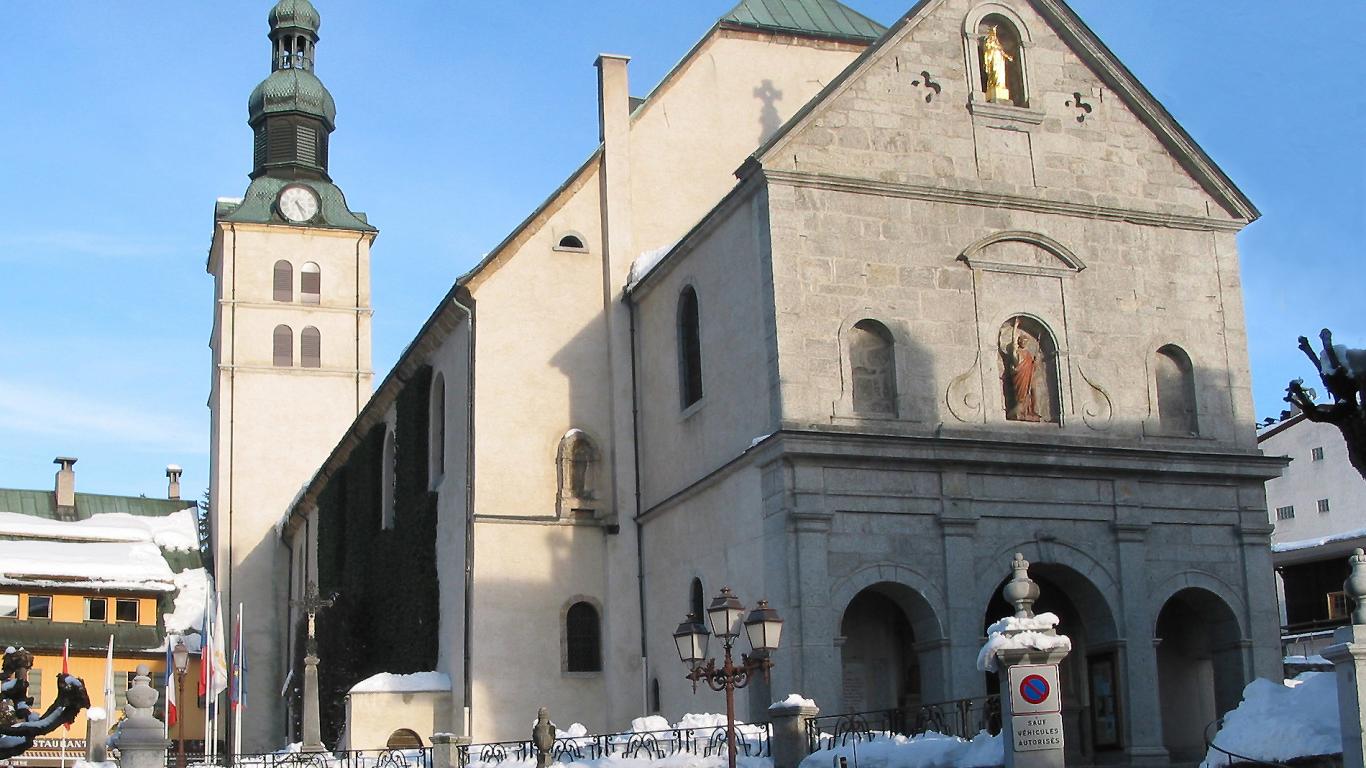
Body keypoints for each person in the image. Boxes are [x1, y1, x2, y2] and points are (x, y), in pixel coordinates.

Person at [982, 25, 1014, 101]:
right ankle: (993, 85)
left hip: (999, 59)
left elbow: (1002, 52)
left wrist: (1008, 57)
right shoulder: (989, 42)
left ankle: (1000, 86)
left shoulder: (997, 44)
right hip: (994, 58)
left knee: (1000, 73)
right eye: (993, 33)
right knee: (994, 71)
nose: (994, 35)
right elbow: (987, 50)